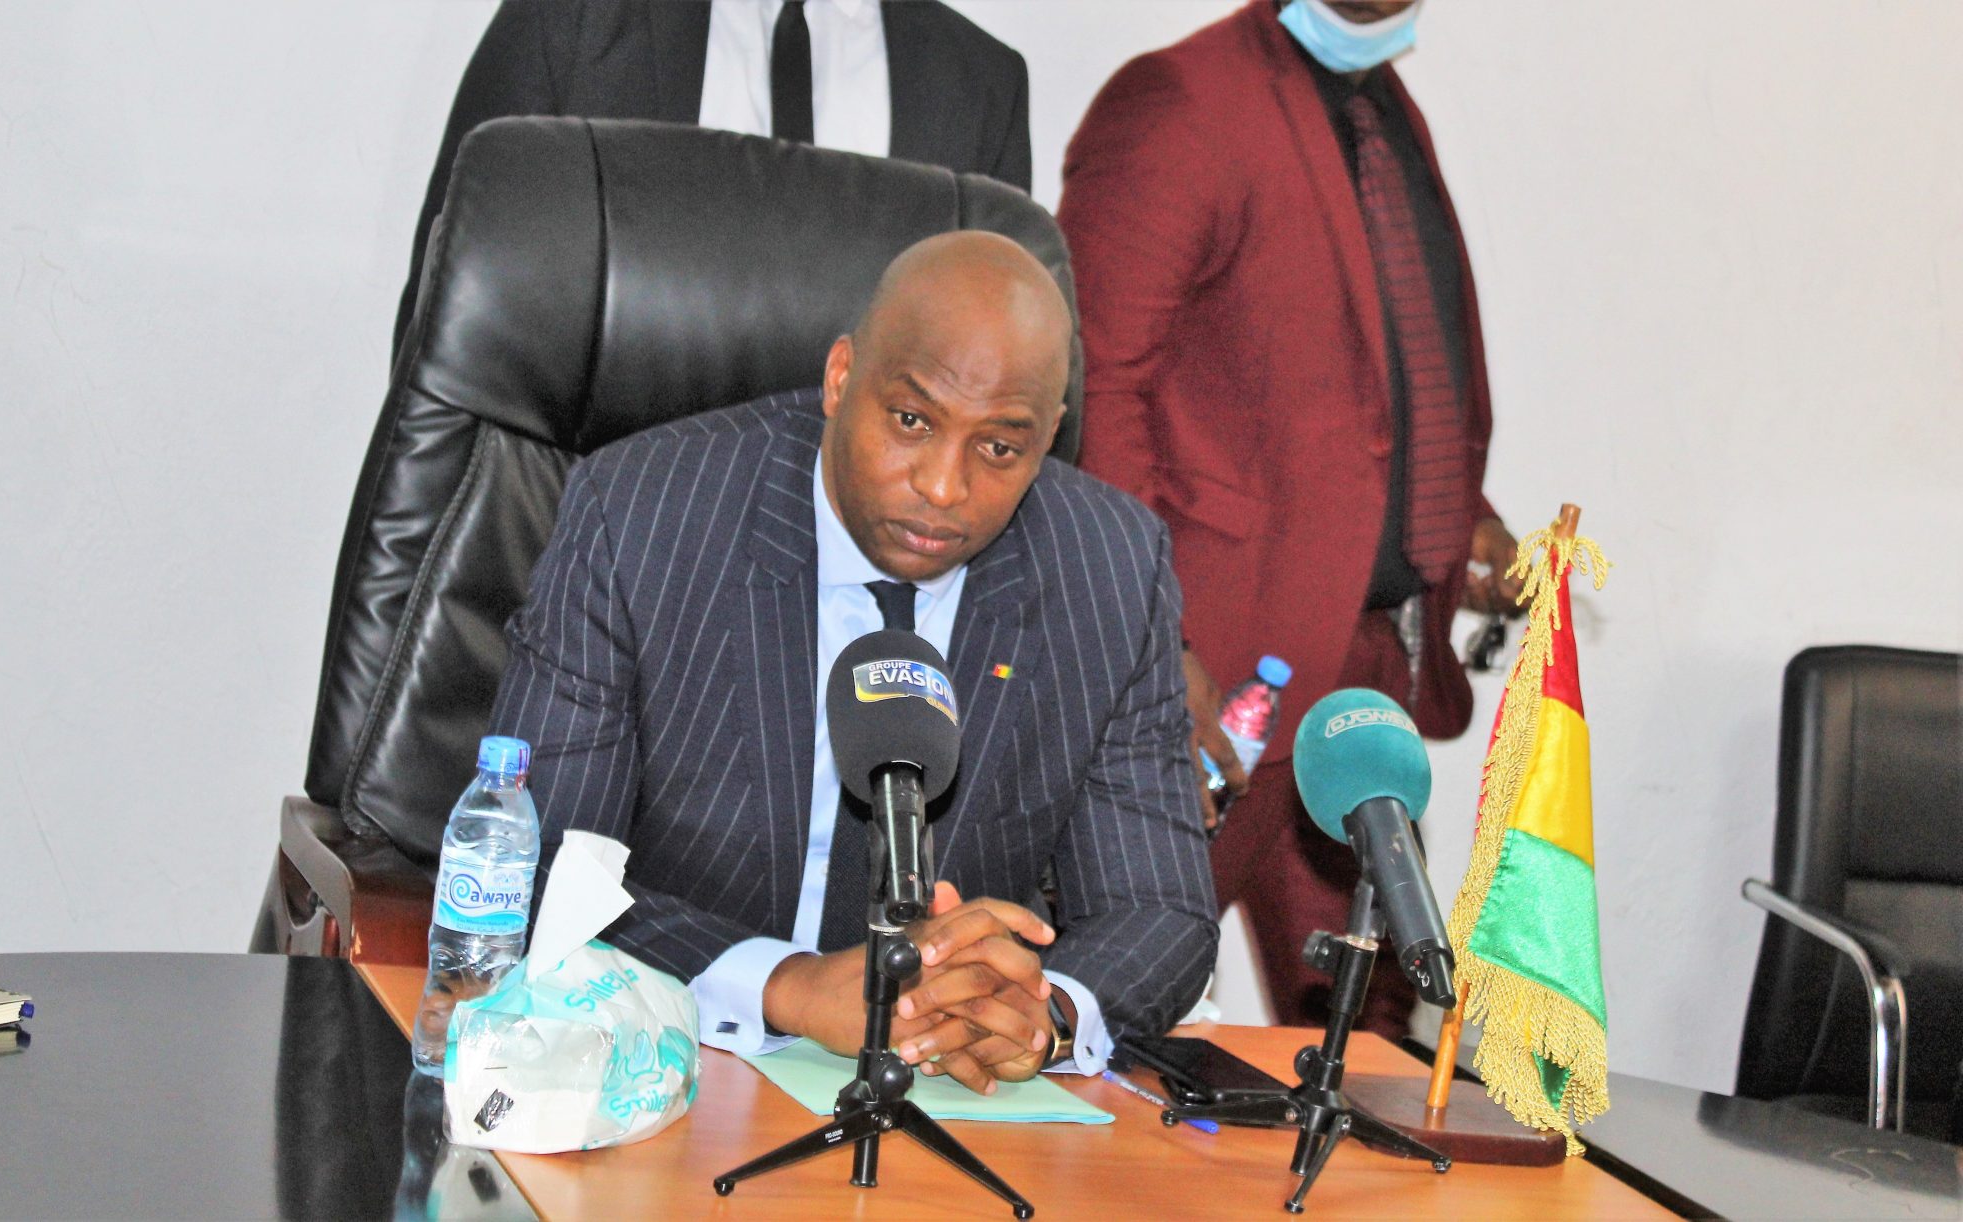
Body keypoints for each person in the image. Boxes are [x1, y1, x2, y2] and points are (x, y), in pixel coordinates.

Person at [491, 232, 1217, 1093]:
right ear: (840, 379)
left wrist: (1040, 1013)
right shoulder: (643, 516)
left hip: (943, 1090)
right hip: (665, 1057)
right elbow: (535, 860)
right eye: (912, 421)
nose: (943, 487)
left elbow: (1160, 910)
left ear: (1049, 437)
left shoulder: (1111, 569)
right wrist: (788, 987)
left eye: (999, 448)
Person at [1058, 0, 1524, 1038]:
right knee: (1101, 1016)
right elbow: (1093, 386)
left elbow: (1370, 373)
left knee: (1367, 1041)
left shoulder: (1381, 106)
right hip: (1209, 681)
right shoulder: (1179, 100)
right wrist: (1152, 639)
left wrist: (1459, 520)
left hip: (1359, 683)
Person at [394, 0, 1031, 352]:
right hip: (598, 533)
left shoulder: (982, 85)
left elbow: (983, 371)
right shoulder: (572, 23)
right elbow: (447, 338)